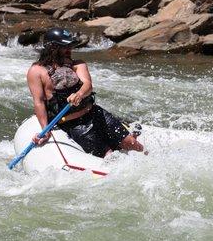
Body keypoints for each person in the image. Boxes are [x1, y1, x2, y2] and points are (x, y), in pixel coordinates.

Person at [27, 27, 146, 157]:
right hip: (73, 125)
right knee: (109, 155)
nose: (70, 50)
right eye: (65, 47)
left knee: (132, 144)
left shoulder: (78, 64)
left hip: (96, 114)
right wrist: (45, 130)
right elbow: (39, 102)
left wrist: (79, 94)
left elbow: (88, 85)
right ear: (53, 48)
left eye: (71, 46)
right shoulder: (36, 71)